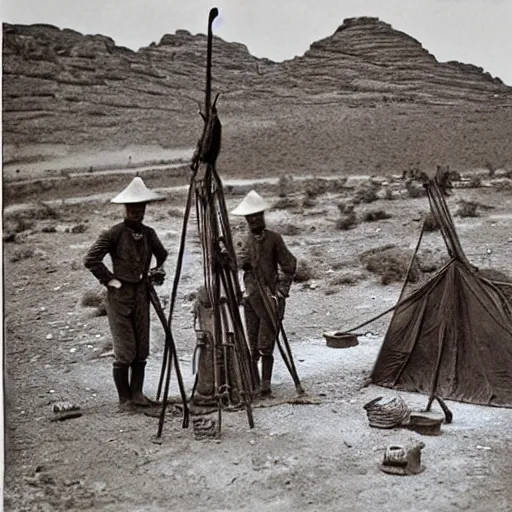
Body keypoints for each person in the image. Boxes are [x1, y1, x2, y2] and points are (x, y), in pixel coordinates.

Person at [84, 177, 168, 410]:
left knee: (142, 348)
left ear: (144, 209)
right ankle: (125, 400)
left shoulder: (149, 234)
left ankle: (138, 395)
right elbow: (91, 260)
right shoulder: (113, 233)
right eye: (132, 207)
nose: (136, 212)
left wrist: (156, 271)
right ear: (125, 208)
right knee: (125, 350)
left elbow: (162, 254)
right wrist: (110, 280)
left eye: (140, 208)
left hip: (142, 295)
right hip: (119, 298)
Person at [231, 190, 297, 396]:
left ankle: (266, 383)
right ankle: (253, 382)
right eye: (250, 217)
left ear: (263, 216)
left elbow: (290, 265)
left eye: (258, 215)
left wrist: (281, 290)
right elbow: (234, 266)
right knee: (252, 343)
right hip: (250, 297)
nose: (254, 220)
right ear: (246, 219)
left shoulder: (274, 239)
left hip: (270, 298)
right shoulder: (241, 240)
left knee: (265, 344)